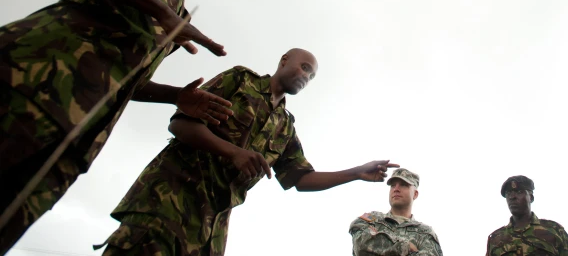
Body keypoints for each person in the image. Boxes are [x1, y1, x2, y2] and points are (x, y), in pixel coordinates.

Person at [0, 0, 239, 254]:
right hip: (32, 80)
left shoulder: (181, 14)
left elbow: (128, 81)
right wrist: (163, 14)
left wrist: (176, 97)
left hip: (77, 137)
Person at [98, 50, 399, 256]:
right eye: (304, 67)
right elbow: (181, 123)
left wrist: (356, 173)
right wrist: (233, 153)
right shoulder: (240, 81)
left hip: (209, 232)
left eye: (312, 76)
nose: (307, 76)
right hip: (168, 205)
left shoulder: (285, 126)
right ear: (284, 61)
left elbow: (300, 179)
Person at [349, 167, 443, 255]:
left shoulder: (425, 233)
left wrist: (378, 242)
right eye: (393, 186)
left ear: (415, 194)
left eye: (403, 185)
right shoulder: (372, 218)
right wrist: (406, 247)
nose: (396, 189)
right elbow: (361, 245)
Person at [485, 175, 568, 256]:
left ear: (531, 197)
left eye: (519, 192)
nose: (512, 197)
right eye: (508, 193)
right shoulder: (496, 239)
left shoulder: (554, 231)